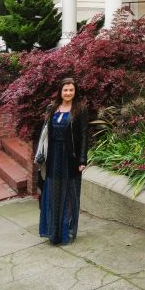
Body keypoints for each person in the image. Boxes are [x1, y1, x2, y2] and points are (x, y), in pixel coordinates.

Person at [38, 77, 88, 244]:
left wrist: (82, 160)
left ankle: (65, 232)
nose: (68, 93)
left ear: (75, 92)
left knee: (69, 195)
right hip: (53, 157)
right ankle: (53, 232)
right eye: (65, 90)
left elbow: (84, 136)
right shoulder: (52, 108)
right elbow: (45, 134)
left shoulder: (80, 109)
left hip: (70, 158)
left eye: (71, 90)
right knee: (52, 194)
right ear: (60, 91)